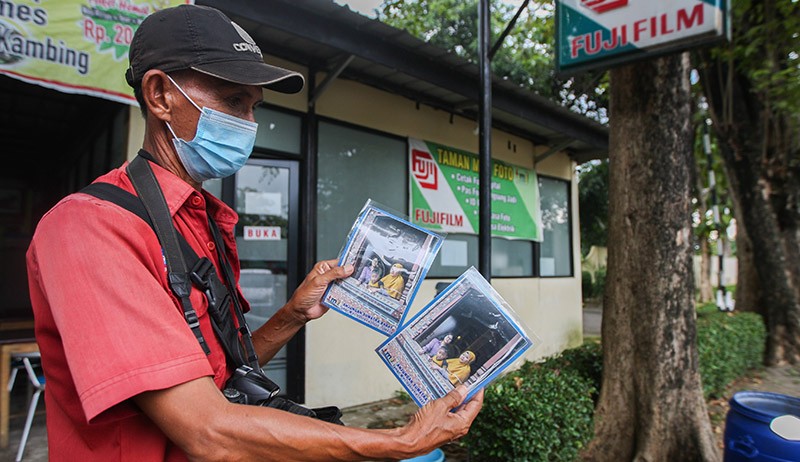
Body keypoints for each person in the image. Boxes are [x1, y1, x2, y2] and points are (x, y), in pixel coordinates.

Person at [25, 5, 481, 461]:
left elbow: (221, 373)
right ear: (161, 94)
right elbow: (209, 432)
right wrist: (401, 441)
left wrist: (293, 314)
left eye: (253, 107)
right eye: (232, 101)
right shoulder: (90, 228)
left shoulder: (201, 221)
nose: (248, 123)